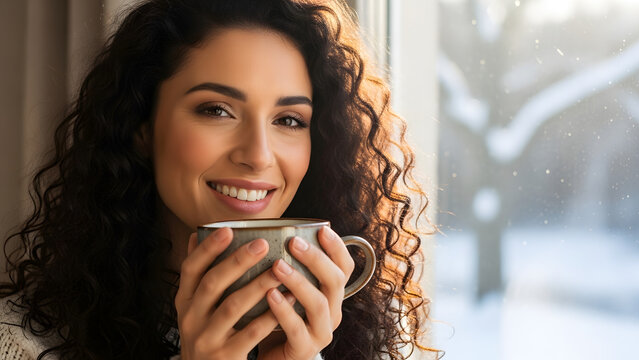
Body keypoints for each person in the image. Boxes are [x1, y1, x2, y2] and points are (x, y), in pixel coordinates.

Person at [0, 0, 439, 359]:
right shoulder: (22, 341)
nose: (258, 155)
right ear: (141, 127)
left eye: (288, 119)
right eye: (216, 110)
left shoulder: (375, 335)